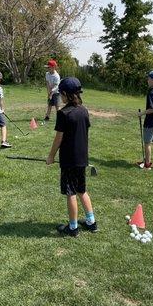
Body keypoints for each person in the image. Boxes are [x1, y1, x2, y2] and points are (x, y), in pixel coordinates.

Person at [47, 77, 97, 237]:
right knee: (82, 190)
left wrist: (51, 156)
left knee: (71, 193)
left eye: (61, 94)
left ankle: (73, 227)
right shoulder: (84, 110)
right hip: (82, 158)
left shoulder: (63, 113)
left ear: (65, 94)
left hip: (69, 160)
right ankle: (91, 222)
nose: (60, 97)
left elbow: (58, 139)